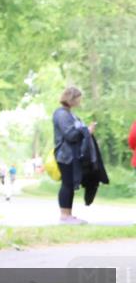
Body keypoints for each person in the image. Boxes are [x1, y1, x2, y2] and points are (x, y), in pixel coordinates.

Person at [52, 87, 96, 224]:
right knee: (67, 184)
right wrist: (86, 130)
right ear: (72, 98)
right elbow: (70, 135)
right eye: (78, 98)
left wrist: (86, 132)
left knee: (70, 184)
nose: (80, 101)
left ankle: (68, 215)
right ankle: (64, 215)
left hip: (72, 155)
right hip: (65, 155)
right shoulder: (61, 114)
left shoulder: (69, 114)